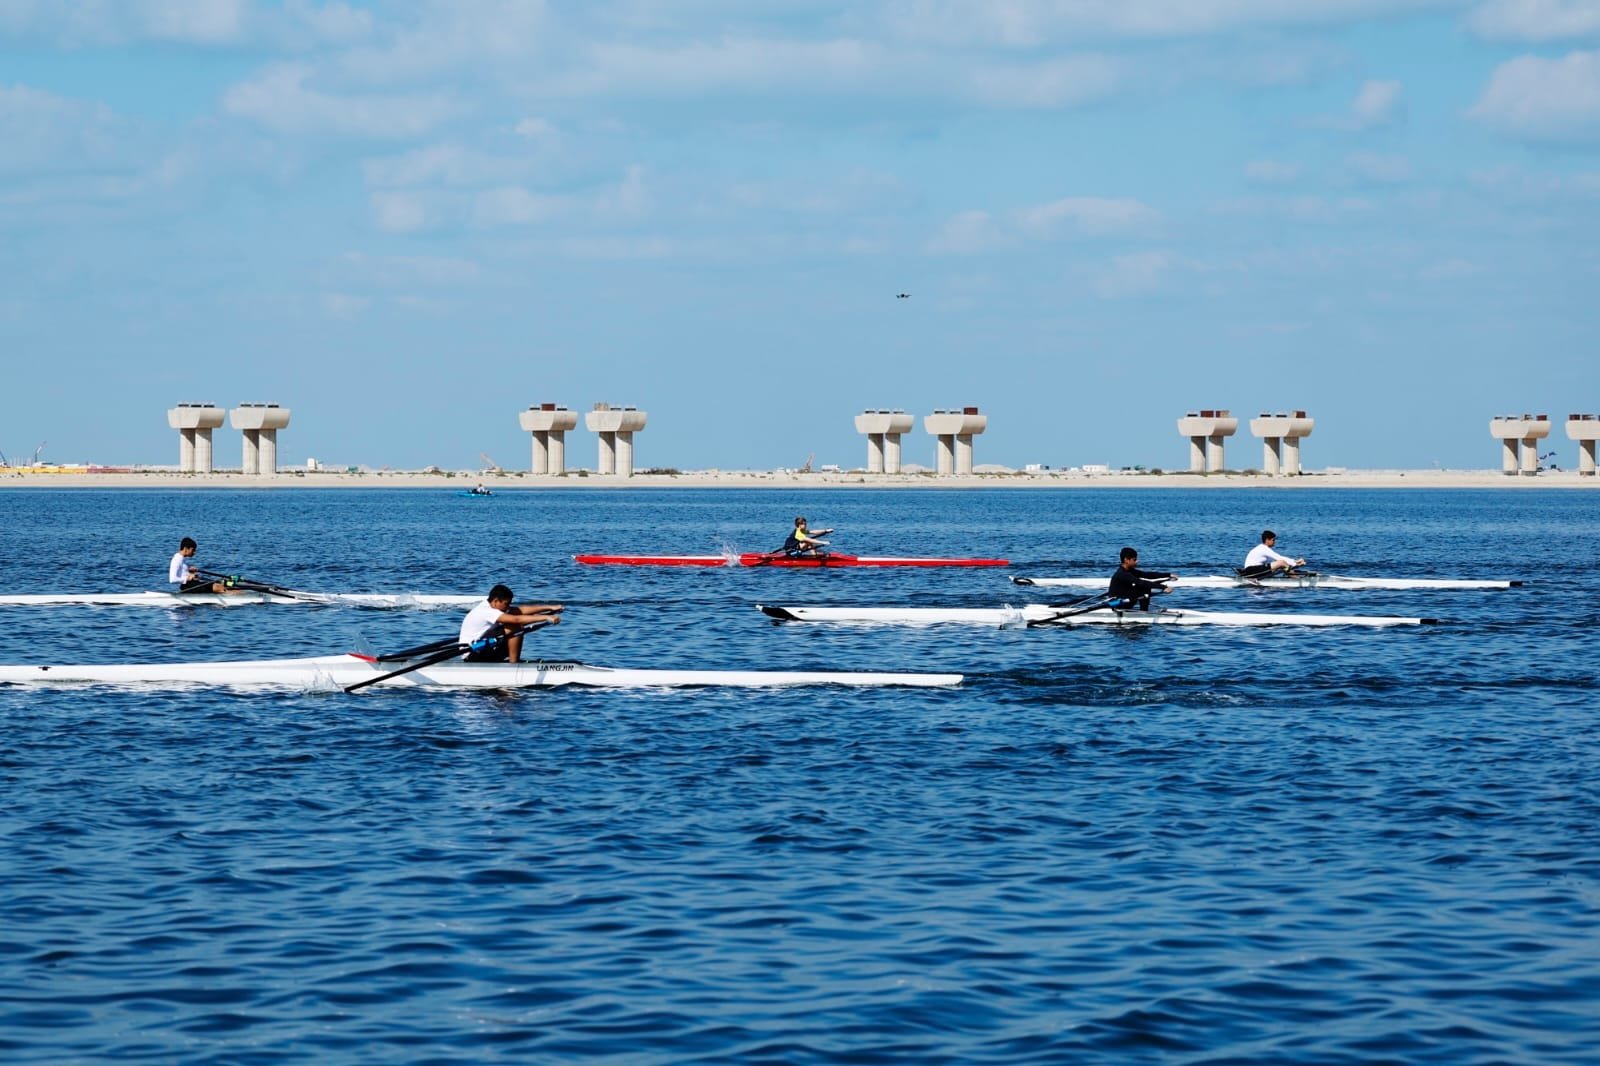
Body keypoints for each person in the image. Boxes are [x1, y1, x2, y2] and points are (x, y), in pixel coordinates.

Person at [458, 584, 562, 663]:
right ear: (495, 601)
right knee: (514, 626)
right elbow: (516, 620)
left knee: (517, 623)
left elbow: (519, 611)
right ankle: (513, 665)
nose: (508, 607)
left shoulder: (493, 606)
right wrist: (546, 617)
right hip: (473, 654)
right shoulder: (486, 611)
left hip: (484, 646)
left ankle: (513, 662)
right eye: (506, 604)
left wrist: (549, 608)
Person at [1108, 547, 1177, 610]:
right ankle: (1144, 612)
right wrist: (1163, 587)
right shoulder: (1122, 574)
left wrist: (1168, 575)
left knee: (1144, 586)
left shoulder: (1130, 571)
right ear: (1126, 560)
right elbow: (1141, 582)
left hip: (1124, 599)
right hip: (1117, 603)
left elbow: (1147, 575)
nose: (1137, 561)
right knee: (1144, 587)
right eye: (1134, 559)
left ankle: (1144, 611)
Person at [168, 537, 242, 595]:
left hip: (192, 584)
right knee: (218, 587)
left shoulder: (182, 559)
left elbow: (183, 573)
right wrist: (187, 578)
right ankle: (240, 599)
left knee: (221, 585)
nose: (194, 552)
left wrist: (190, 572)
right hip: (188, 587)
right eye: (193, 550)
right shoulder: (176, 559)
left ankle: (239, 594)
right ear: (185, 549)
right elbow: (172, 579)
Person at [1241, 530, 1306, 576]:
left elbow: (1276, 561)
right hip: (1251, 570)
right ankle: (1296, 579)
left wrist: (1295, 561)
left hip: (1253, 570)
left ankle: (1290, 576)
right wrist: (1295, 563)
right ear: (1267, 540)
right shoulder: (1264, 549)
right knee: (1281, 563)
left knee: (1281, 565)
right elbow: (1279, 558)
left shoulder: (1263, 548)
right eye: (1273, 540)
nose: (1275, 542)